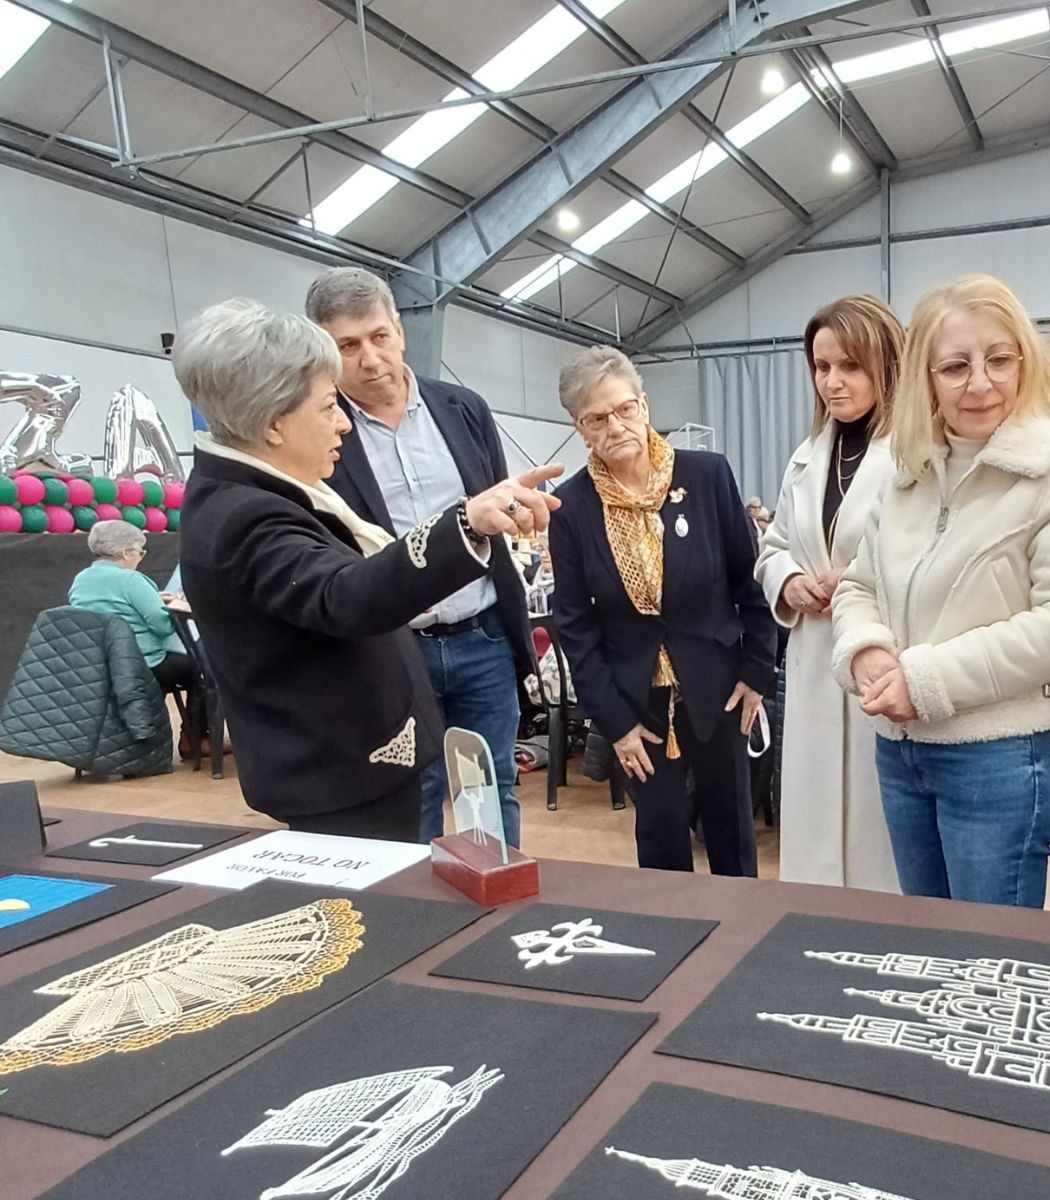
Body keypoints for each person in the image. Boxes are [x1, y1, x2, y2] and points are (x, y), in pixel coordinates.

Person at [175, 299, 558, 839]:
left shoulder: (255, 493)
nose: (342, 425)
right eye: (329, 407)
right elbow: (344, 593)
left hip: (361, 754)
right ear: (274, 424)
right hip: (342, 772)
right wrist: (463, 524)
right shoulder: (248, 515)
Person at [830, 274, 1050, 908]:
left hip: (1001, 756)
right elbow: (859, 584)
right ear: (927, 377)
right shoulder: (908, 472)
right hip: (902, 754)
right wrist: (867, 650)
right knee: (934, 947)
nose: (980, 383)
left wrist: (927, 682)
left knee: (993, 968)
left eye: (999, 360)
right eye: (956, 366)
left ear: (1025, 361)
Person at [308, 267, 537, 848]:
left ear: (401, 332)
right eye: (347, 346)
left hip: (481, 636)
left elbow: (494, 506)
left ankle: (498, 896)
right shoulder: (321, 430)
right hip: (393, 648)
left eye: (379, 336)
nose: (369, 357)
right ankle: (424, 922)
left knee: (491, 786)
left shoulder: (463, 409)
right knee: (415, 792)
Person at [549, 345, 777, 876]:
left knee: (730, 825)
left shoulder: (706, 476)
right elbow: (575, 628)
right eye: (596, 418)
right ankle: (673, 938)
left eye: (624, 409)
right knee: (660, 830)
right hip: (636, 702)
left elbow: (750, 580)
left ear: (644, 405)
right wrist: (615, 723)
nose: (615, 426)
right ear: (580, 428)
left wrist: (758, 670)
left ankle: (742, 933)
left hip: (719, 685)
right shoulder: (573, 508)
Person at [756, 295, 904, 892]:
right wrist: (791, 580)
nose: (833, 383)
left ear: (886, 365)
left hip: (881, 658)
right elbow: (773, 547)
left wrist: (862, 581)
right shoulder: (806, 457)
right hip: (816, 662)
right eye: (821, 368)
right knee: (815, 821)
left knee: (880, 834)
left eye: (850, 366)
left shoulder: (916, 453)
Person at [68, 520, 191, 691]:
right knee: (205, 670)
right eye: (141, 552)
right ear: (127, 553)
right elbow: (162, 627)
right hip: (142, 663)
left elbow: (111, 602)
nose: (141, 557)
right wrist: (180, 607)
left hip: (98, 662)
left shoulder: (81, 579)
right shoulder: (131, 579)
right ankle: (197, 718)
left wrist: (152, 598)